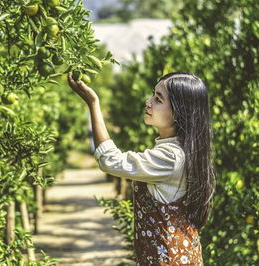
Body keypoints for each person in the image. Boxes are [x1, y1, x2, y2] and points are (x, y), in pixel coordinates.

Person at [67, 72, 216, 265]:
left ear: (179, 112)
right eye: (153, 95)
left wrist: (93, 103)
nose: (148, 102)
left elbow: (109, 160)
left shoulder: (170, 157)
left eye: (158, 99)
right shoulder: (181, 150)